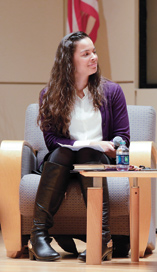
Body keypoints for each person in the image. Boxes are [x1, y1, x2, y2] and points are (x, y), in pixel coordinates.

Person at [29, 31, 130, 262]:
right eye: (86, 54)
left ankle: (101, 238)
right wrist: (88, 142)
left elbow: (123, 136)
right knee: (64, 151)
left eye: (93, 52)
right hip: (63, 162)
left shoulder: (112, 92)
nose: (94, 57)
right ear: (69, 61)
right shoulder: (50, 95)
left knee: (88, 153)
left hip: (98, 162)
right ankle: (39, 237)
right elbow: (51, 141)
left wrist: (113, 146)